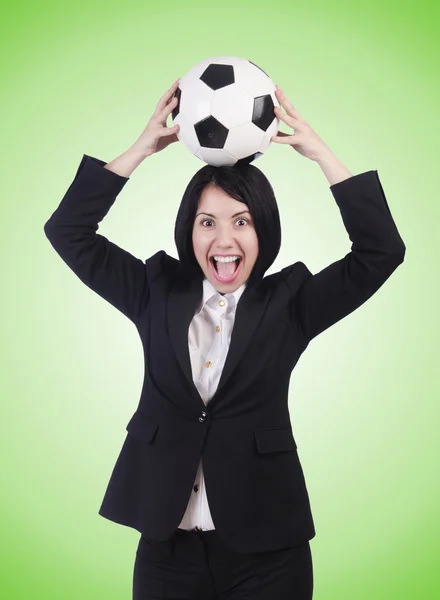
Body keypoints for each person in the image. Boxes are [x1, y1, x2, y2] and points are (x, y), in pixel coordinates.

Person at [44, 79, 406, 600]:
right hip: (167, 549)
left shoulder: (291, 304)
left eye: (242, 222)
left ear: (263, 232)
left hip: (268, 551)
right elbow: (69, 232)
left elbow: (380, 252)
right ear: (188, 233)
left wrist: (320, 154)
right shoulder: (153, 291)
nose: (224, 241)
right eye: (206, 222)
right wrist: (141, 149)